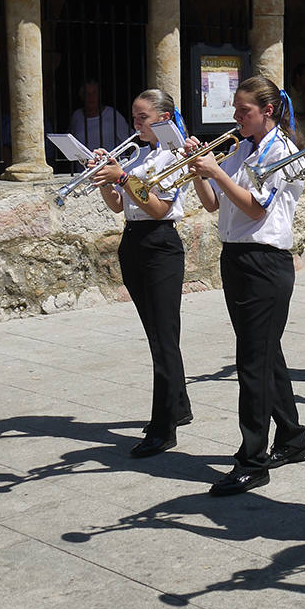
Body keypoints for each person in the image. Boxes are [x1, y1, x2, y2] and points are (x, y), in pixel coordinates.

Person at [188, 77, 305, 496]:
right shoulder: (243, 147)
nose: (236, 117)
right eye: (236, 110)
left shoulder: (284, 153)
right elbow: (213, 203)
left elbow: (257, 209)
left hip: (265, 263)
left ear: (268, 111)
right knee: (265, 353)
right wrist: (199, 173)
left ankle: (252, 460)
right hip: (237, 258)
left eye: (244, 111)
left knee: (252, 363)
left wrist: (217, 171)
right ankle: (293, 437)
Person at [90, 89, 192, 457]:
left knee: (164, 338)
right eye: (133, 117)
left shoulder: (174, 156)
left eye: (142, 117)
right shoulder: (139, 155)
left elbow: (159, 207)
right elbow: (120, 206)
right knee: (156, 334)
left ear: (163, 118)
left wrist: (120, 178)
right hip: (133, 243)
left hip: (160, 244)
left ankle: (163, 427)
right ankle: (178, 405)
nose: (135, 124)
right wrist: (106, 180)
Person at [69, 79, 131, 151]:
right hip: (84, 162)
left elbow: (130, 140)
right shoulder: (77, 116)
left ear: (99, 95)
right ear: (81, 96)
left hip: (109, 161)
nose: (91, 96)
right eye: (87, 93)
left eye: (94, 93)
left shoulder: (112, 114)